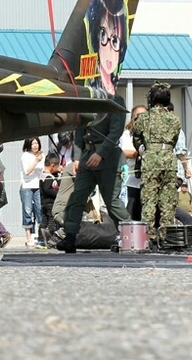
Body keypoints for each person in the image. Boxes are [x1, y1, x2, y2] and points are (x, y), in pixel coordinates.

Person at [58, 97, 127, 252]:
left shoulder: (115, 100)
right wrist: (77, 157)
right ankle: (70, 236)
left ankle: (128, 234)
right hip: (87, 157)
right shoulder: (88, 97)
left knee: (111, 201)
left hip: (108, 159)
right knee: (77, 197)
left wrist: (101, 153)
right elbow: (80, 129)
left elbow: (115, 132)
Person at [132, 82, 182, 247]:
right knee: (168, 201)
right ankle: (166, 236)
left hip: (151, 159)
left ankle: (149, 236)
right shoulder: (174, 119)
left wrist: (143, 149)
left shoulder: (143, 118)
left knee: (149, 199)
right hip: (169, 159)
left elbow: (136, 138)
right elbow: (174, 141)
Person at [121, 105, 148, 220]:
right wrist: (141, 153)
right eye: (138, 116)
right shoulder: (127, 134)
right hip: (134, 178)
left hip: (150, 178)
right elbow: (125, 152)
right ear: (133, 117)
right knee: (133, 211)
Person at [19, 138, 44, 247]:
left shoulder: (42, 155)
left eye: (37, 143)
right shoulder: (25, 156)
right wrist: (36, 161)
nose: (35, 145)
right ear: (28, 144)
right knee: (27, 211)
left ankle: (41, 236)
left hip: (38, 186)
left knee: (40, 210)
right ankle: (28, 237)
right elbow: (27, 171)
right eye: (33, 143)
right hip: (27, 186)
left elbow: (43, 170)